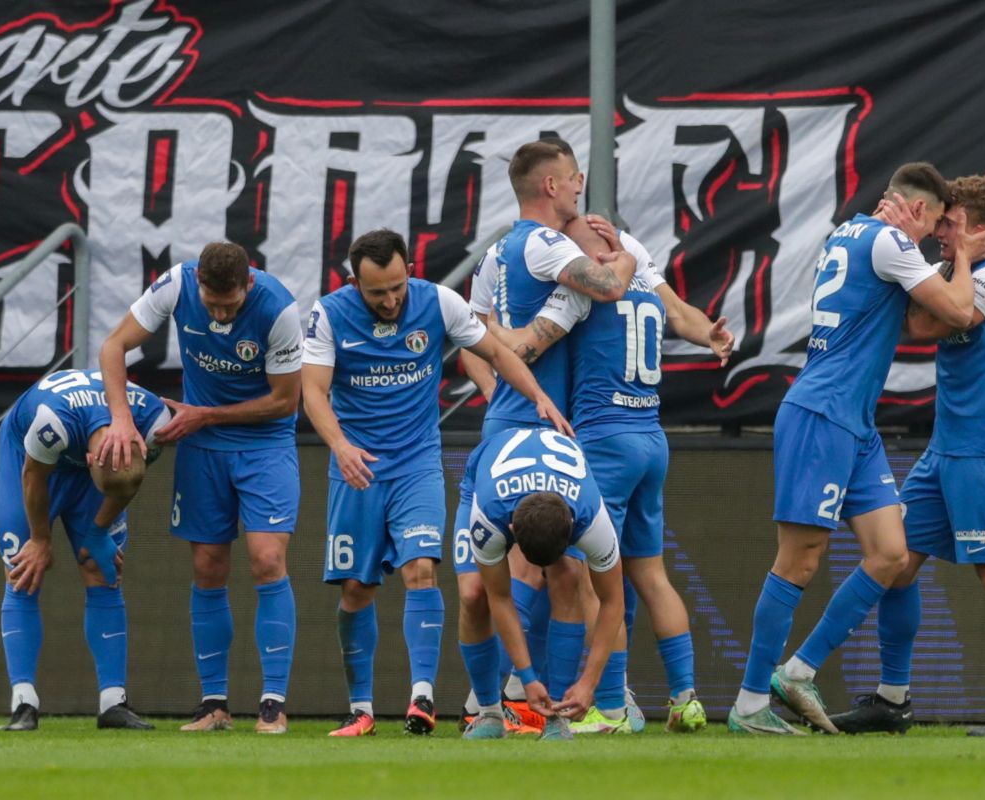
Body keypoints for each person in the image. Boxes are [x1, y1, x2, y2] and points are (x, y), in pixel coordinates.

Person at [727, 162, 985, 735]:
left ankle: (797, 670)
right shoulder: (890, 242)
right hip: (822, 415)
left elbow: (908, 307)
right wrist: (964, 256)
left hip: (854, 424)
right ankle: (750, 703)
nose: (937, 236)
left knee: (892, 554)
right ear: (918, 209)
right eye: (937, 225)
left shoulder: (852, 233)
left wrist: (933, 259)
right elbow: (955, 311)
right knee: (799, 560)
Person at [301, 229, 569, 738]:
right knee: (356, 588)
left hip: (417, 463)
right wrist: (339, 445)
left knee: (421, 569)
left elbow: (497, 352)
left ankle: (421, 698)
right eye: (377, 292)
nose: (390, 300)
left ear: (409, 272)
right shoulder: (329, 314)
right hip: (357, 467)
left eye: (397, 287)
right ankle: (360, 710)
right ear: (355, 283)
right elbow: (312, 391)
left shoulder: (440, 302)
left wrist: (537, 396)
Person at [486, 215, 735, 733]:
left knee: (593, 582)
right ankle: (685, 698)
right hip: (651, 438)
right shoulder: (645, 285)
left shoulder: (585, 291)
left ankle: (612, 707)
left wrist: (485, 326)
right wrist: (709, 334)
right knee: (651, 574)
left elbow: (523, 349)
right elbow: (683, 315)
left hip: (604, 443)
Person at [828, 176, 985, 736]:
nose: (941, 232)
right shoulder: (952, 273)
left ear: (980, 229)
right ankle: (892, 700)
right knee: (897, 567)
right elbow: (917, 308)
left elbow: (930, 322)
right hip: (943, 451)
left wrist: (957, 261)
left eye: (951, 224)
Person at [450, 137, 637, 734]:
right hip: (532, 428)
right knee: (518, 578)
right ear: (552, 185)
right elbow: (609, 286)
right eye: (575, 178)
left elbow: (478, 339)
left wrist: (503, 381)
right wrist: (625, 259)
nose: (581, 187)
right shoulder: (546, 244)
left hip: (517, 421)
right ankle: (501, 700)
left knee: (555, 575)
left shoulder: (498, 252)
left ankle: (526, 705)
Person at [98, 242, 303, 734]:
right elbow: (113, 347)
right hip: (202, 446)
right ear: (198, 285)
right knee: (208, 566)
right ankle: (213, 704)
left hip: (264, 445)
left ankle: (272, 703)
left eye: (229, 306)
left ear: (248, 283)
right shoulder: (175, 284)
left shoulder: (278, 308)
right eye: (212, 304)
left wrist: (205, 414)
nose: (220, 315)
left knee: (267, 559)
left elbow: (284, 401)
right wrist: (121, 419)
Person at [0, 368, 169, 731]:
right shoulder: (51, 422)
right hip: (29, 460)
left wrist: (99, 530)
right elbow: (33, 476)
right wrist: (40, 539)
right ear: (91, 463)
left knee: (104, 571)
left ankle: (113, 702)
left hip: (90, 461)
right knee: (23, 571)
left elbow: (127, 483)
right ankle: (23, 701)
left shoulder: (154, 423)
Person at [463, 427, 624, 741]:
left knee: (569, 576)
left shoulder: (592, 518)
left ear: (573, 531)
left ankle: (558, 717)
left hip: (564, 484)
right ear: (511, 530)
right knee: (474, 595)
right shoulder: (488, 517)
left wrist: (588, 683)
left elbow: (613, 600)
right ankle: (489, 713)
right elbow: (500, 597)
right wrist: (527, 677)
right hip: (487, 472)